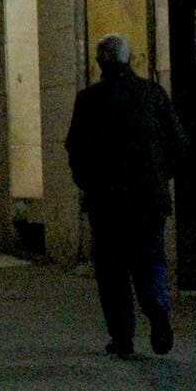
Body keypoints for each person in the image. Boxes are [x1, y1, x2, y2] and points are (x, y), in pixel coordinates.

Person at [66, 33, 187, 358]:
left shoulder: (89, 100)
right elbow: (178, 143)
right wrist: (160, 177)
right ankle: (158, 311)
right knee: (150, 258)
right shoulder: (153, 94)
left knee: (112, 270)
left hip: (106, 201)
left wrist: (89, 183)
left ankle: (122, 338)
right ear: (129, 59)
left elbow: (76, 150)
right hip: (149, 198)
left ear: (99, 62)